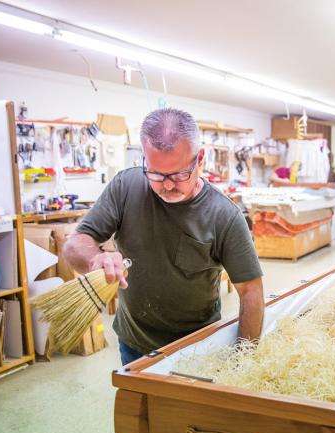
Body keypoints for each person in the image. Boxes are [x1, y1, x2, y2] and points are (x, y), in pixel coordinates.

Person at [64, 106, 264, 366]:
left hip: (197, 346)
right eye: (157, 174)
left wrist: (243, 361)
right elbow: (74, 245)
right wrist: (95, 260)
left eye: (180, 174)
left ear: (200, 159)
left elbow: (251, 290)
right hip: (134, 343)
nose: (168, 185)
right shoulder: (126, 187)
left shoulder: (224, 216)